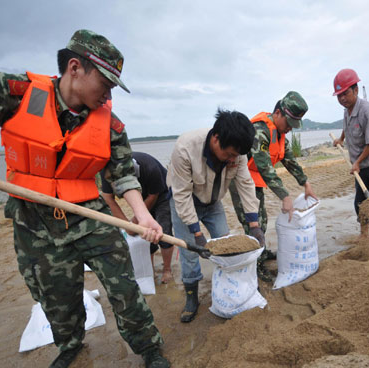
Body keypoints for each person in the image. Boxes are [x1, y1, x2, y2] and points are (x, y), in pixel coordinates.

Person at [0, 30, 170, 368]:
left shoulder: (109, 123)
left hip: (90, 218)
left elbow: (122, 175)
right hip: (34, 223)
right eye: (105, 82)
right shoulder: (16, 93)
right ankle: (70, 344)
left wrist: (143, 215)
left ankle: (149, 347)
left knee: (124, 287)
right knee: (56, 300)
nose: (108, 93)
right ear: (75, 68)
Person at [166, 109, 265, 323]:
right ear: (216, 138)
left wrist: (254, 224)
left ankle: (233, 288)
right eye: (229, 154)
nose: (232, 159)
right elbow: (181, 195)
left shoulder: (237, 151)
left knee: (226, 241)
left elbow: (246, 185)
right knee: (191, 250)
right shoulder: (185, 148)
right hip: (185, 200)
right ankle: (192, 296)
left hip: (213, 201)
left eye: (235, 156)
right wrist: (197, 233)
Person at [228, 91, 317, 282]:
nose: (290, 129)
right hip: (240, 180)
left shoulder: (280, 132)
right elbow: (264, 166)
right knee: (252, 224)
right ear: (278, 113)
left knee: (262, 220)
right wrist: (285, 196)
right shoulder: (260, 130)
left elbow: (289, 159)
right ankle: (255, 266)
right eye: (289, 124)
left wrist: (305, 182)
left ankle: (261, 252)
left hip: (255, 180)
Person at [331, 69, 369, 246]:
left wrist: (356, 162)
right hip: (361, 162)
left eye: (346, 93)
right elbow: (348, 126)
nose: (342, 98)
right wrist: (341, 139)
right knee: (360, 201)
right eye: (339, 95)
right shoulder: (347, 110)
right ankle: (364, 234)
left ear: (356, 90)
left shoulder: (368, 111)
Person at [100, 152, 174, 284]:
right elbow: (108, 199)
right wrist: (127, 225)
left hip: (160, 194)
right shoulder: (107, 172)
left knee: (164, 231)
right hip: (140, 196)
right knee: (144, 235)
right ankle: (149, 270)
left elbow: (153, 196)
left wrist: (136, 219)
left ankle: (167, 269)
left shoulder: (150, 168)